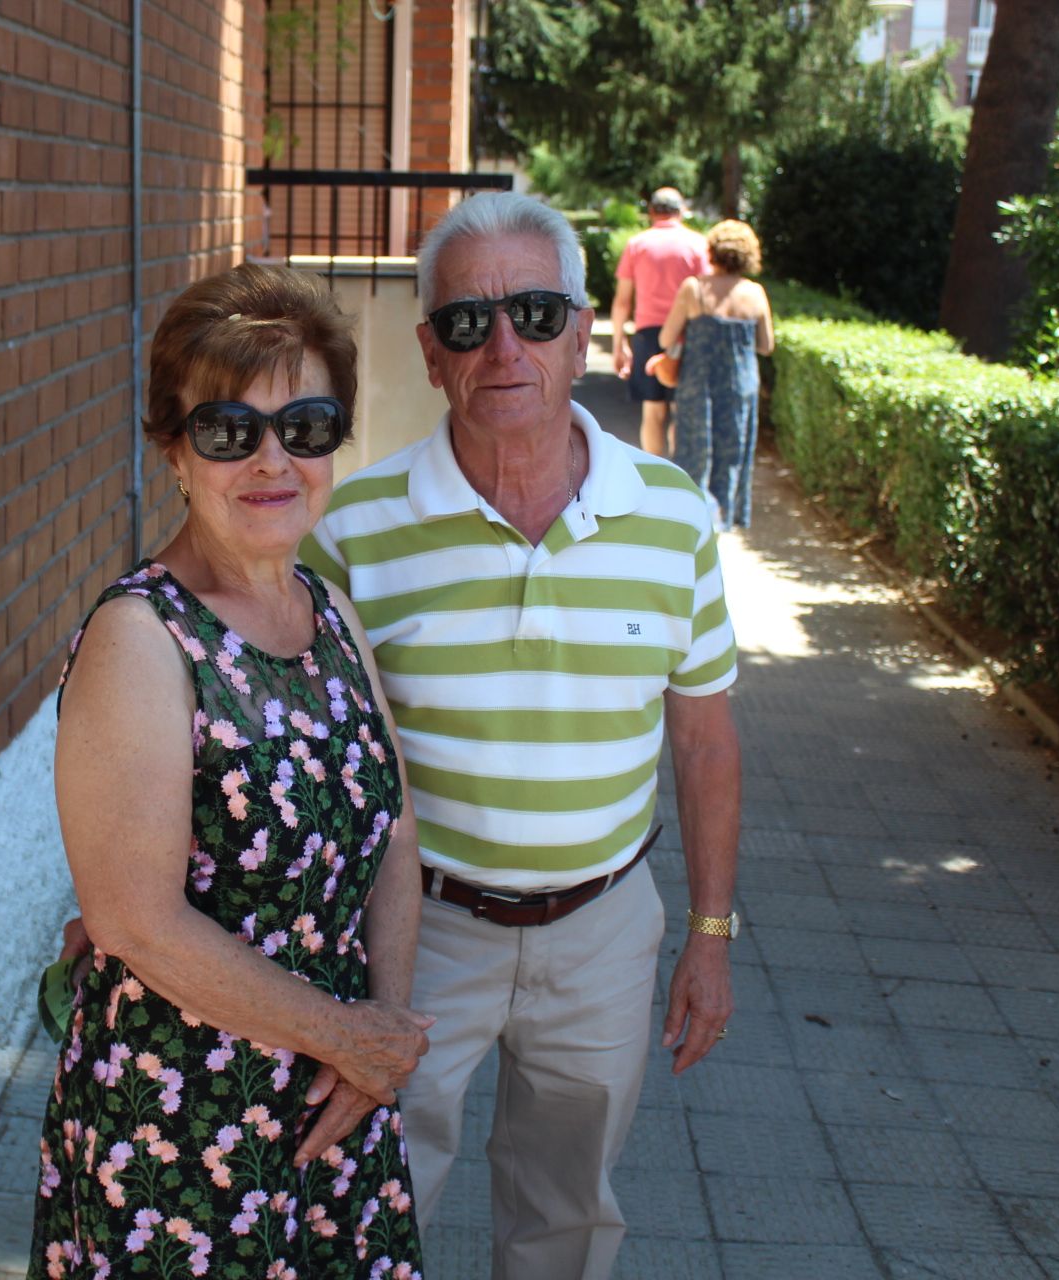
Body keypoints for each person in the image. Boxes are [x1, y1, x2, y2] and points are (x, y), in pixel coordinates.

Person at [300, 191, 743, 1280]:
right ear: (431, 352)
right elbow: (292, 748)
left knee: (568, 1217)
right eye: (468, 322)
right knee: (365, 1197)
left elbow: (704, 743)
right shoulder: (353, 531)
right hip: (412, 932)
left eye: (537, 313)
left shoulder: (675, 515)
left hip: (603, 928)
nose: (505, 345)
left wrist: (712, 933)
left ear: (584, 329)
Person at [29, 264, 430, 1279]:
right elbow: (132, 919)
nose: (270, 459)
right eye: (226, 430)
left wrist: (377, 1033)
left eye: (304, 426)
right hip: (183, 1129)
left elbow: (394, 825)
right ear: (172, 446)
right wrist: (352, 1036)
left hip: (330, 1103)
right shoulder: (141, 637)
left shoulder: (328, 610)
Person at [659, 219, 776, 532]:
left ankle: (687, 519)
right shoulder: (755, 293)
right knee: (733, 452)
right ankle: (724, 519)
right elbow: (766, 345)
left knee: (693, 451)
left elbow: (666, 339)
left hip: (699, 383)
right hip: (741, 385)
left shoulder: (694, 289)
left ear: (711, 252)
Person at [610, 187, 710, 456]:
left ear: (652, 211)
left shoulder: (637, 245)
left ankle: (655, 480)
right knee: (681, 410)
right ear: (681, 211)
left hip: (648, 334)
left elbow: (622, 301)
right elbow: (707, 295)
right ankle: (680, 476)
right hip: (687, 334)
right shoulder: (699, 243)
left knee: (653, 410)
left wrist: (619, 345)